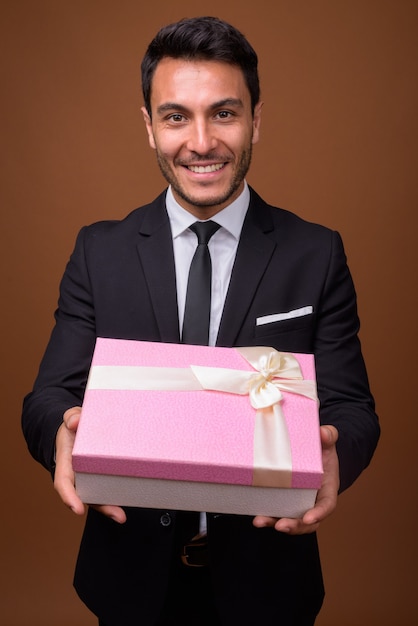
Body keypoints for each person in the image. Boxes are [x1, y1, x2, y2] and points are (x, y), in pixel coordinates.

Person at [22, 16, 380, 626]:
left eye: (223, 113)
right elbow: (48, 396)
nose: (201, 142)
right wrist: (59, 428)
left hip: (269, 580)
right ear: (149, 127)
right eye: (176, 116)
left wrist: (336, 453)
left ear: (256, 120)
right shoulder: (98, 251)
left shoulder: (314, 253)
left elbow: (351, 408)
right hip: (129, 579)